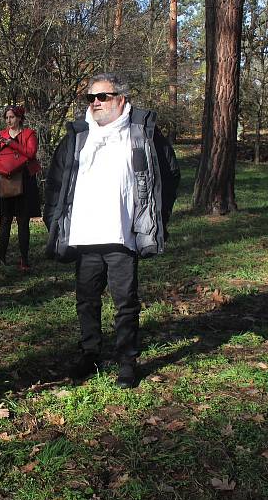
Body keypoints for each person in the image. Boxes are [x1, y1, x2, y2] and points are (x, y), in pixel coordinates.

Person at [44, 73, 180, 388]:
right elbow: (55, 180)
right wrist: (52, 219)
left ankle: (127, 362)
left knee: (125, 302)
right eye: (90, 98)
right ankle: (90, 353)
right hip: (84, 236)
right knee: (86, 300)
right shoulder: (79, 135)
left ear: (120, 98)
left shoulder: (141, 132)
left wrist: (156, 214)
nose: (95, 103)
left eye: (102, 97)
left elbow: (169, 172)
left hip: (123, 235)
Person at [0, 105, 42, 271]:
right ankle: (1, 258)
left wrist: (12, 143)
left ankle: (24, 260)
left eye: (11, 117)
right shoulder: (1, 134)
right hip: (6, 180)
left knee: (22, 221)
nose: (8, 121)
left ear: (19, 118)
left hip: (25, 181)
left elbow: (31, 153)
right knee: (5, 220)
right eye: (6, 118)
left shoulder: (28, 134)